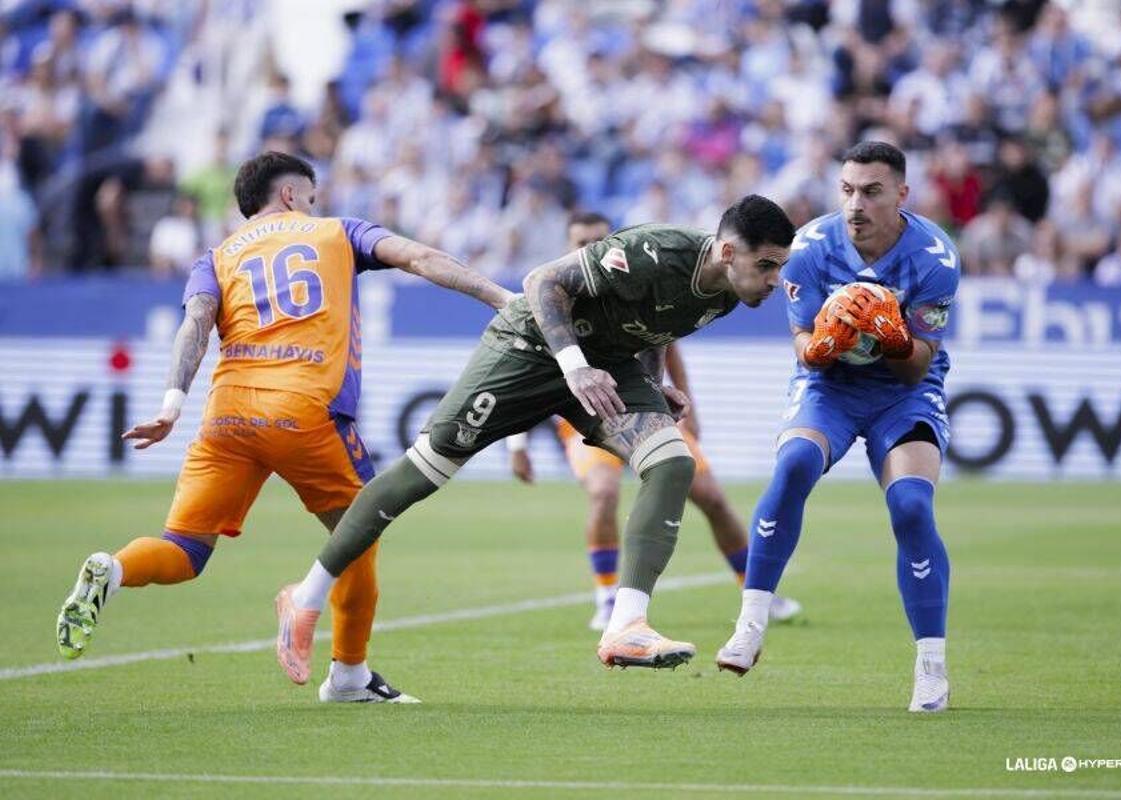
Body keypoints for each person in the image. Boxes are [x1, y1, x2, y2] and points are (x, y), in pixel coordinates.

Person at [275, 194, 796, 681]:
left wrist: (655, 383)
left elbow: (654, 330)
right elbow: (542, 281)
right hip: (527, 348)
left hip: (604, 365)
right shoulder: (655, 251)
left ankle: (626, 624)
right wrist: (573, 367)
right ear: (728, 251)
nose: (774, 280)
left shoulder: (727, 292)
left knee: (673, 463)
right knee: (422, 473)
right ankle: (306, 594)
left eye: (779, 267)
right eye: (767, 265)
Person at [55, 152, 513, 703]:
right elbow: (418, 257)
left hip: (226, 415)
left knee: (183, 549)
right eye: (312, 197)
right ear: (293, 195)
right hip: (304, 410)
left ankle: (114, 568)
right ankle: (348, 677)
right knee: (359, 535)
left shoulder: (217, 256)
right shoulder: (337, 233)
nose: (316, 206)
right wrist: (501, 298)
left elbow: (196, 322)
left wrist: (172, 403)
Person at [715, 142, 959, 714]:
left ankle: (931, 666)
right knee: (795, 464)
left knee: (912, 508)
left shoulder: (935, 258)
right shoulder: (808, 249)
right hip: (831, 389)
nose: (856, 204)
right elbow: (803, 347)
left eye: (872, 192)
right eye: (847, 190)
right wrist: (824, 344)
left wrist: (892, 334)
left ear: (902, 194)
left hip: (903, 393)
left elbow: (917, 364)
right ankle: (750, 625)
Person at [507, 211, 801, 631]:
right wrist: (516, 444)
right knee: (604, 494)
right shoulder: (558, 294)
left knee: (713, 498)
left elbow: (667, 344)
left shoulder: (632, 282)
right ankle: (608, 599)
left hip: (646, 398)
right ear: (568, 248)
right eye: (580, 242)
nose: (588, 248)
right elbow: (526, 360)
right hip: (584, 415)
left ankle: (758, 594)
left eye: (596, 239)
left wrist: (688, 407)